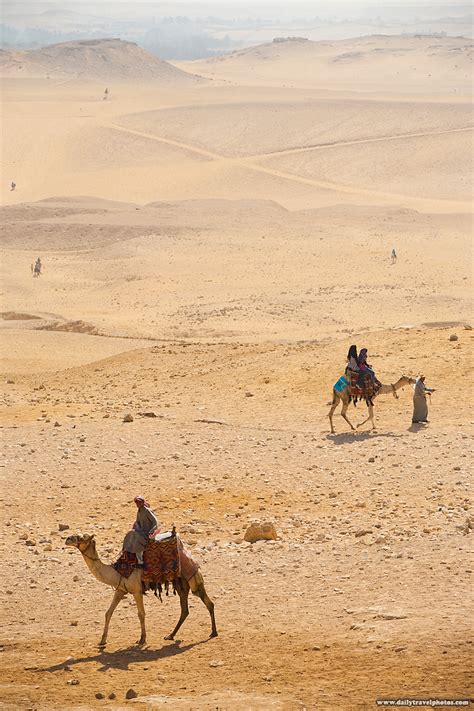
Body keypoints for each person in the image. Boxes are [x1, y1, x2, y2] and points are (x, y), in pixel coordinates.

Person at [122, 496, 159, 567]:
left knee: (137, 541)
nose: (137, 504)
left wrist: (152, 532)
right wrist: (134, 527)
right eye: (136, 503)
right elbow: (137, 522)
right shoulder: (139, 511)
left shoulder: (147, 511)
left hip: (148, 533)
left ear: (142, 503)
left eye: (139, 503)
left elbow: (155, 522)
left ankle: (141, 561)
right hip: (142, 532)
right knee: (130, 535)